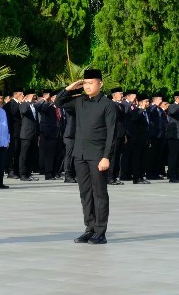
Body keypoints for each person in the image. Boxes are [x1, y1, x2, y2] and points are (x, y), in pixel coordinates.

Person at [55, 69, 116, 245]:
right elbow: (58, 102)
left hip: (97, 156)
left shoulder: (107, 105)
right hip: (80, 154)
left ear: (100, 84)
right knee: (85, 193)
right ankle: (89, 228)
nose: (88, 86)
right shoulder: (79, 101)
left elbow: (112, 133)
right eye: (85, 83)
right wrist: (70, 88)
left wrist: (107, 157)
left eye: (91, 83)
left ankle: (100, 231)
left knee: (100, 193)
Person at [18, 89, 39, 181]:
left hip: (34, 134)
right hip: (26, 134)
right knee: (24, 155)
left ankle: (28, 173)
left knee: (32, 154)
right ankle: (22, 174)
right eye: (32, 95)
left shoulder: (33, 106)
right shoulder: (23, 104)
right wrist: (27, 101)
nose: (34, 97)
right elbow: (23, 111)